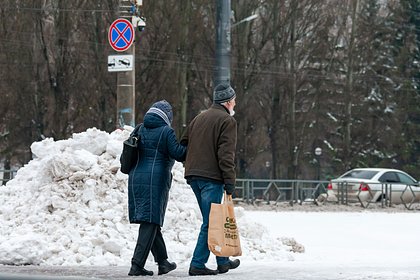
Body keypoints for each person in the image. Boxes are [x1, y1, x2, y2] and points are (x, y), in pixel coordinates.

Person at [181, 83, 240, 276]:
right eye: (234, 100)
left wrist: (193, 161)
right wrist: (229, 181)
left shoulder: (199, 117)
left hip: (194, 176)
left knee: (213, 219)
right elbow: (226, 155)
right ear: (229, 101)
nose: (235, 104)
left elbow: (183, 143)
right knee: (211, 222)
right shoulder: (227, 121)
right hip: (211, 178)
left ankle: (222, 261)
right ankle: (197, 264)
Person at [127, 100, 186, 276]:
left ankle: (163, 262)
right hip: (155, 179)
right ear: (167, 116)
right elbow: (178, 153)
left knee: (150, 220)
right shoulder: (166, 131)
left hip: (136, 177)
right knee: (150, 221)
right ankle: (136, 265)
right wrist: (191, 143)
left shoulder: (139, 128)